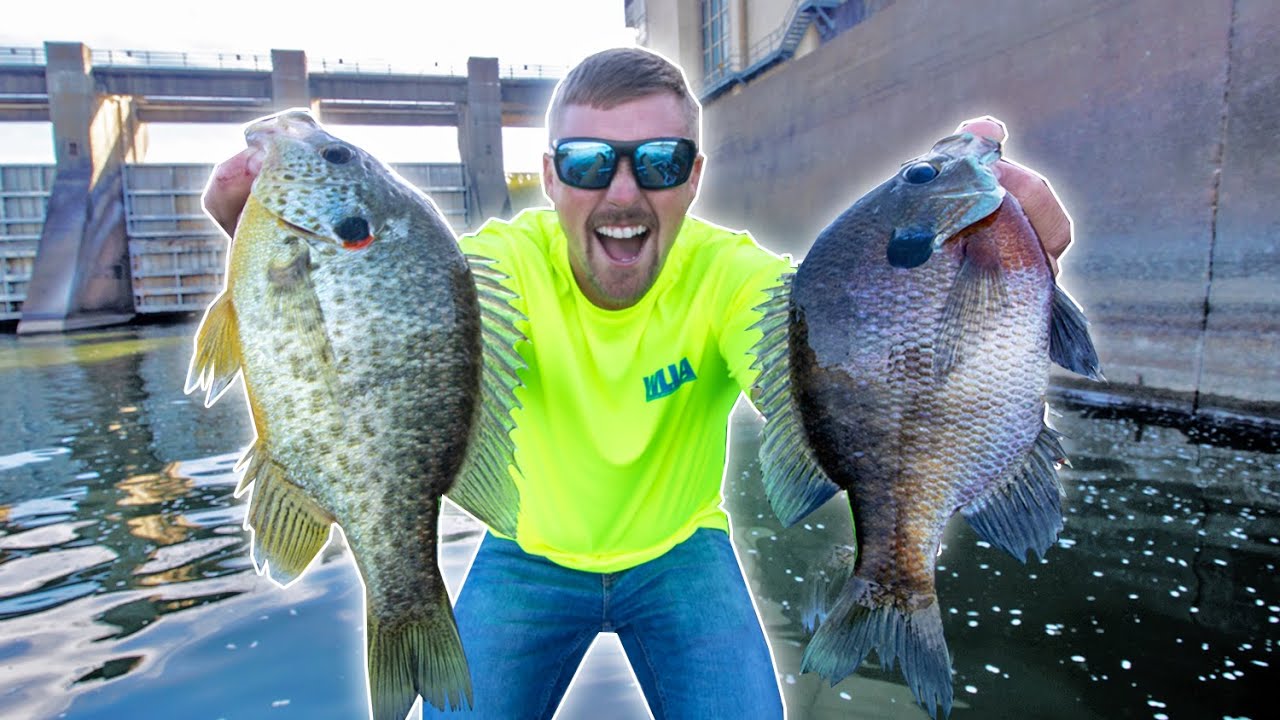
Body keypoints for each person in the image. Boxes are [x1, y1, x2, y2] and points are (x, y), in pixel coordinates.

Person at [204, 47, 1072, 720]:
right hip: (526, 557)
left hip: (680, 556)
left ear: (693, 176)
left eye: (658, 161)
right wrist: (270, 274)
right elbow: (374, 324)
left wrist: (977, 299)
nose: (623, 191)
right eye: (587, 163)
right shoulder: (490, 273)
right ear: (550, 178)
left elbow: (840, 373)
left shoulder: (735, 278)